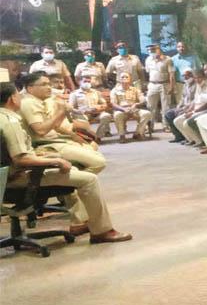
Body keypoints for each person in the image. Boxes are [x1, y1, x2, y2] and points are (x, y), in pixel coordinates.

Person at [1, 82, 131, 244]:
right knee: (88, 179)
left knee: (75, 170)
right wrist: (56, 160)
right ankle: (101, 231)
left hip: (8, 176)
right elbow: (21, 158)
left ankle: (80, 221)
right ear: (13, 98)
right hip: (16, 179)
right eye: (18, 95)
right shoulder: (10, 121)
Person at [174, 62, 207, 146]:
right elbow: (200, 98)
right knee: (180, 119)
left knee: (193, 121)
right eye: (205, 70)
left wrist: (194, 110)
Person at [110, 72, 152, 143]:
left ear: (130, 79)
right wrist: (123, 109)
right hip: (122, 110)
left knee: (147, 113)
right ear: (119, 79)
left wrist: (136, 104)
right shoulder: (115, 90)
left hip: (134, 109)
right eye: (122, 77)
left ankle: (138, 133)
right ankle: (122, 135)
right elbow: (113, 103)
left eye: (126, 77)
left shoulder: (135, 89)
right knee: (117, 115)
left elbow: (142, 100)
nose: (124, 78)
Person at [144, 44, 175, 131]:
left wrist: (172, 87)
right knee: (150, 106)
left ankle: (166, 126)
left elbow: (171, 74)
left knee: (166, 106)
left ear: (159, 50)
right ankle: (150, 126)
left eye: (154, 50)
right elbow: (147, 72)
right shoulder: (148, 60)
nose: (152, 52)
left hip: (164, 85)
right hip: (152, 84)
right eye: (150, 50)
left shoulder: (168, 59)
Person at [173, 69, 207, 144]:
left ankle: (200, 142)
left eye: (199, 77)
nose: (197, 80)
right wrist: (189, 110)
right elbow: (195, 101)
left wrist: (193, 112)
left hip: (204, 110)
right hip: (196, 109)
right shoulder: (198, 86)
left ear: (204, 77)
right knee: (177, 121)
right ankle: (192, 140)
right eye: (196, 78)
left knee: (187, 122)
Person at [165, 68, 197, 143]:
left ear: (192, 75)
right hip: (183, 106)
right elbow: (182, 98)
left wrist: (186, 108)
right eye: (184, 76)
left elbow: (195, 100)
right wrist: (178, 107)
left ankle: (186, 137)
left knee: (178, 115)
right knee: (168, 114)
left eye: (187, 75)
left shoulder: (196, 85)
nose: (185, 77)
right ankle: (178, 136)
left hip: (191, 107)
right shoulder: (185, 85)